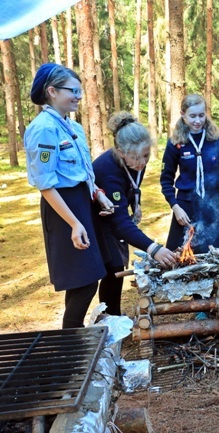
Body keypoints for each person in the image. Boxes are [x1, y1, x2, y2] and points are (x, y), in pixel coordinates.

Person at [25, 63, 114, 328]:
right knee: (85, 282)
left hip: (80, 202)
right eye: (72, 91)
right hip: (62, 208)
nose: (79, 96)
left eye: (80, 91)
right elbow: (45, 184)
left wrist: (97, 193)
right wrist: (74, 223)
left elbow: (82, 171)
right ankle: (71, 343)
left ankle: (72, 339)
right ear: (52, 91)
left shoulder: (69, 124)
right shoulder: (43, 129)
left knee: (84, 280)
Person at [93, 112, 176, 316]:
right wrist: (154, 248)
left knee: (117, 266)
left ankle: (113, 316)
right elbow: (119, 221)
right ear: (121, 152)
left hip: (114, 216)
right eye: (136, 157)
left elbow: (133, 181)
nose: (142, 162)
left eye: (146, 155)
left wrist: (134, 202)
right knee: (113, 268)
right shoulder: (108, 171)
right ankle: (109, 319)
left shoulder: (136, 160)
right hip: (98, 220)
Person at [161, 94, 219, 253]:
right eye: (192, 116)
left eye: (201, 115)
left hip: (211, 204)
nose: (197, 121)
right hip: (185, 206)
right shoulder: (176, 142)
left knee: (214, 256)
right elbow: (166, 179)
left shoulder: (217, 139)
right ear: (182, 114)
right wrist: (175, 207)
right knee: (182, 255)